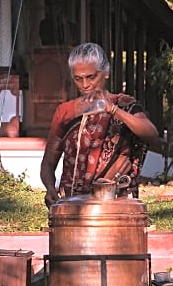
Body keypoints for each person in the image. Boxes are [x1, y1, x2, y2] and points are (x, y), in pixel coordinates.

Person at [40, 43, 159, 205]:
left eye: (91, 77)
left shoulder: (124, 105)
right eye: (78, 79)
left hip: (115, 200)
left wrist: (112, 110)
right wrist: (50, 188)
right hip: (73, 205)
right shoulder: (65, 112)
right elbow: (48, 162)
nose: (85, 85)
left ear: (106, 73)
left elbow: (151, 134)